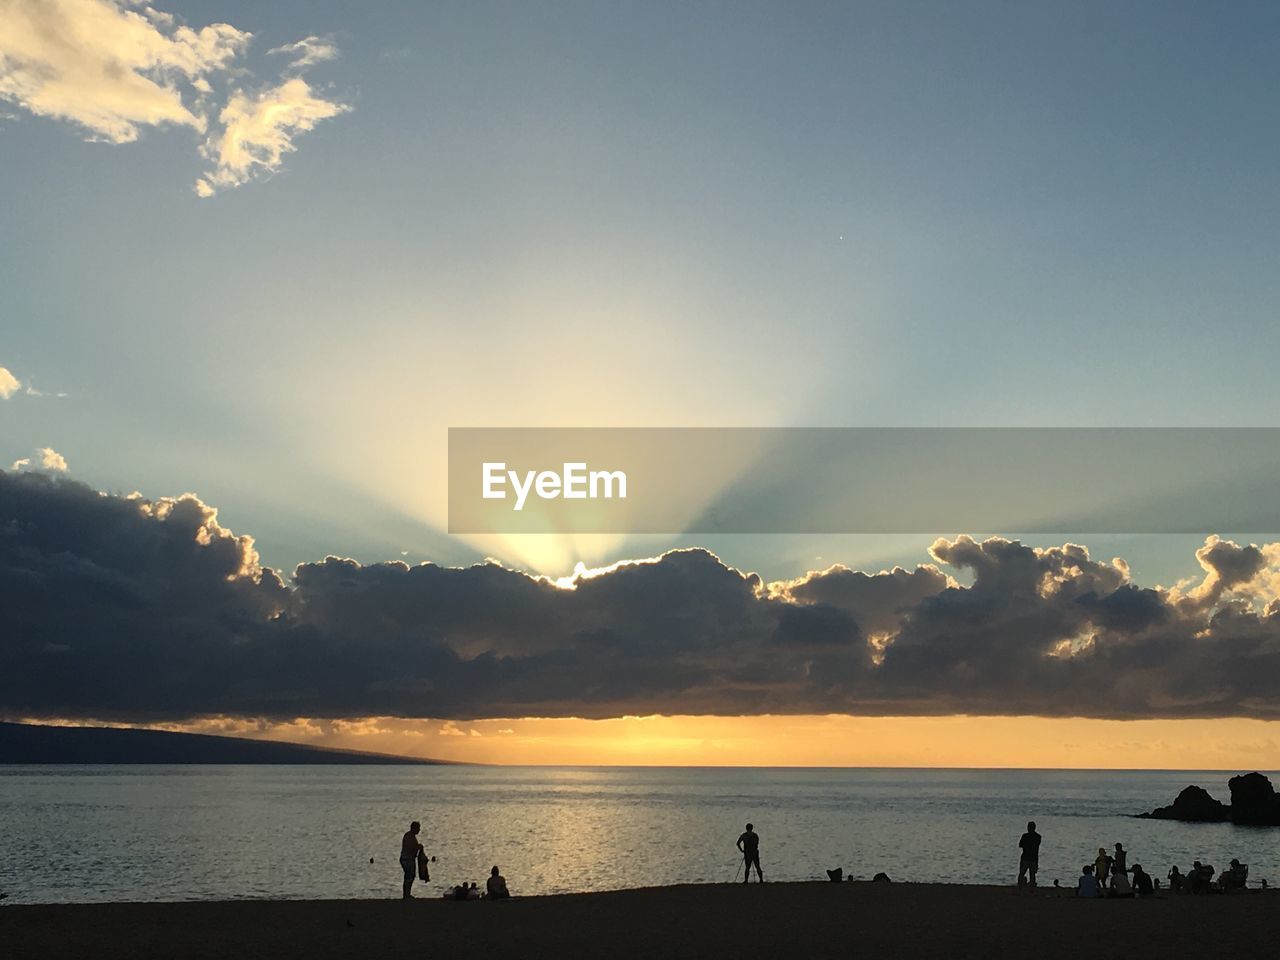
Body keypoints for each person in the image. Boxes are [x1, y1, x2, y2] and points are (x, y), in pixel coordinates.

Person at [399, 821, 423, 899]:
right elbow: (411, 847)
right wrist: (418, 847)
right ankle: (406, 894)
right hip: (407, 859)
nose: (419, 830)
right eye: (418, 828)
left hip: (408, 859)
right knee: (409, 877)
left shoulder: (411, 836)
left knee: (409, 876)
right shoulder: (409, 836)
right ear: (414, 828)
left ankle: (407, 894)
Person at [1017, 821, 1041, 888]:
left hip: (1026, 857)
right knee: (1032, 875)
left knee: (1022, 874)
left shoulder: (1025, 836)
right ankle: (1031, 887)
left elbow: (1020, 845)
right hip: (1033, 858)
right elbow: (1036, 849)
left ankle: (1021, 886)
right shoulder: (1038, 837)